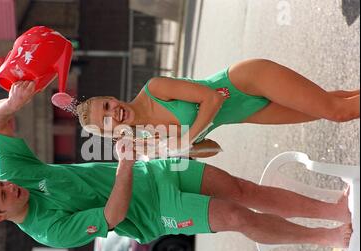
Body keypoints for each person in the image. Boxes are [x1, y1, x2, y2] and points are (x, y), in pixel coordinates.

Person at [0, 81, 352, 249]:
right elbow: (113, 214)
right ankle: (325, 239)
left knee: (243, 189)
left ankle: (333, 210)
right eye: (2, 196)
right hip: (155, 213)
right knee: (236, 215)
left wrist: (12, 104)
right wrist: (126, 163)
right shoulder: (48, 231)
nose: (8, 187)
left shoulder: (14, 173)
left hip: (156, 171)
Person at [75, 58, 359, 158]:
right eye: (107, 119)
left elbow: (213, 98)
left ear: (111, 97)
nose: (114, 112)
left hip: (245, 81)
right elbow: (211, 148)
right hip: (248, 113)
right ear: (110, 132)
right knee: (338, 102)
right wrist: (166, 150)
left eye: (107, 105)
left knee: (338, 111)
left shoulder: (154, 88)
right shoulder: (149, 137)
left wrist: (185, 139)